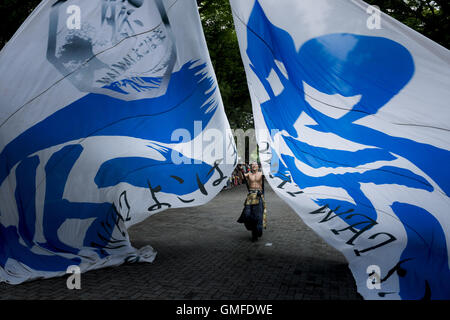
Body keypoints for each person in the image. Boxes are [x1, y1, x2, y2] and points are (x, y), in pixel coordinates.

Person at [237, 162, 267, 242]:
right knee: (246, 215)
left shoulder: (261, 173)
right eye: (252, 164)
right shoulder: (248, 174)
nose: (254, 165)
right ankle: (253, 229)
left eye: (255, 164)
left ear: (258, 166)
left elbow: (271, 176)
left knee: (257, 216)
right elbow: (241, 178)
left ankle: (256, 233)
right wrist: (240, 170)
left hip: (258, 196)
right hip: (250, 196)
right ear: (251, 166)